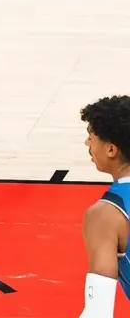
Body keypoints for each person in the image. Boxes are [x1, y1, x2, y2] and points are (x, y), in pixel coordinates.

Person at [78, 96, 130, 315]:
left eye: (91, 138)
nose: (87, 144)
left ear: (111, 150)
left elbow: (98, 312)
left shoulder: (106, 214)